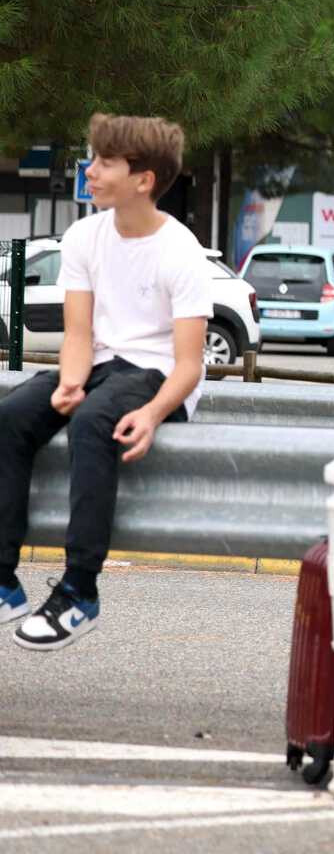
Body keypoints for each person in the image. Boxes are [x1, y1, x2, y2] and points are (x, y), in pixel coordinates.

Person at [0, 114, 211, 650]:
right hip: (98, 368)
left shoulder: (181, 251)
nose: (89, 172)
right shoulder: (84, 236)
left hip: (156, 375)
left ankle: (79, 592)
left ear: (143, 179)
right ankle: (4, 582)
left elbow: (189, 364)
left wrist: (154, 413)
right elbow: (78, 333)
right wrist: (70, 382)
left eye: (103, 163)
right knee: (12, 414)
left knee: (94, 422)